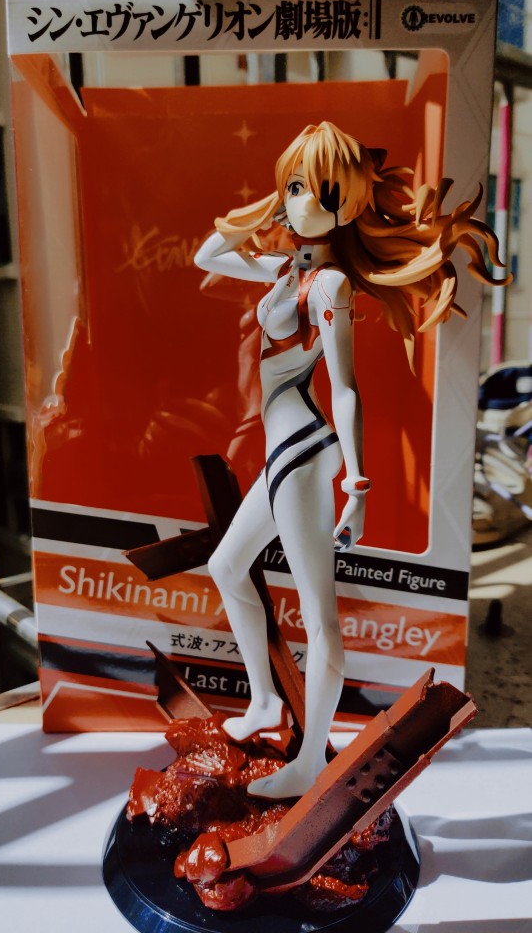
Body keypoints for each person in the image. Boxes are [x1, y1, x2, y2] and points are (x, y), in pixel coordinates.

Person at [194, 121, 506, 799]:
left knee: (319, 615)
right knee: (226, 566)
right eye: (295, 184)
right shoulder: (287, 270)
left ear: (350, 202)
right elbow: (207, 253)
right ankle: (265, 703)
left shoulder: (329, 285)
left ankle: (311, 761)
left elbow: (346, 387)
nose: (302, 200)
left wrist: (357, 486)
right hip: (281, 454)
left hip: (306, 453)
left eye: (318, 189)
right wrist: (271, 205)